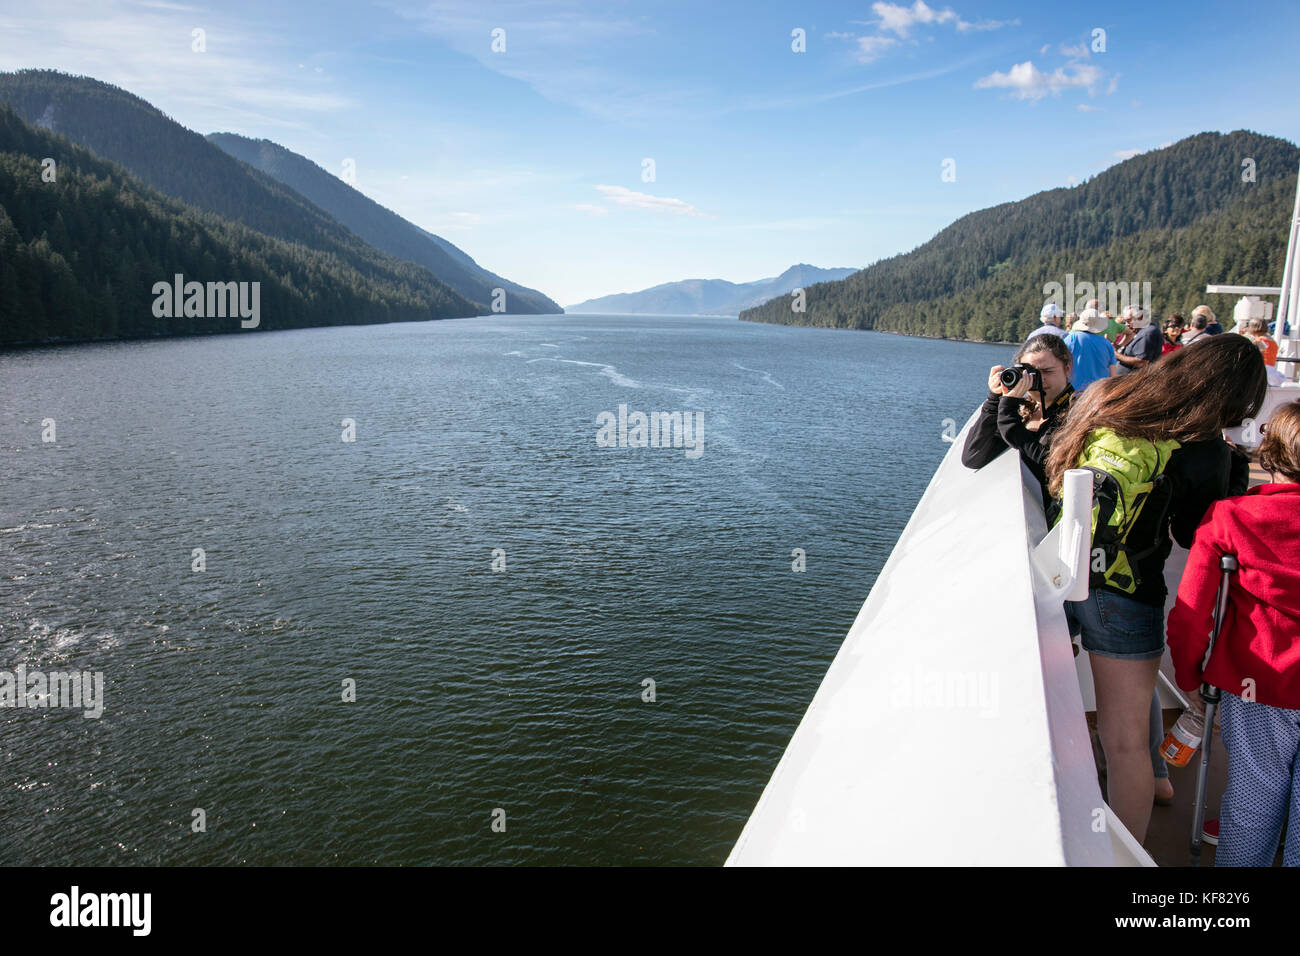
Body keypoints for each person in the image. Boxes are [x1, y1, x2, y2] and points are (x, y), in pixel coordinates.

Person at [1045, 335, 1265, 844]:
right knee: (1126, 748)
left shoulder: (1109, 398)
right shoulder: (1205, 446)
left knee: (1062, 711)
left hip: (1061, 573)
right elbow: (1195, 534)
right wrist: (1231, 480)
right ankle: (1124, 860)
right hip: (1128, 594)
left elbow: (1057, 466)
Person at [1167, 400, 1300, 866]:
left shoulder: (1231, 517)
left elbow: (1192, 613)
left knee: (1251, 805)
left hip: (1259, 683)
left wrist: (1191, 676)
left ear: (1272, 456)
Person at [962, 334, 1074, 506]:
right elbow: (973, 457)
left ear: (1067, 368)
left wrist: (1009, 420)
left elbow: (1051, 468)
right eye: (1032, 373)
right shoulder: (1022, 410)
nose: (1040, 380)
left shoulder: (1078, 412)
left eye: (1047, 371)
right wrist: (994, 399)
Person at [1063, 307, 1119, 391]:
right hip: (1099, 393)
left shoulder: (1071, 339)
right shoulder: (1107, 344)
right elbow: (1113, 376)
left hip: (1074, 392)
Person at [1115, 305, 1163, 373]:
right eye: (1125, 322)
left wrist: (1116, 355)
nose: (1126, 324)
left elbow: (1141, 363)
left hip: (1132, 381)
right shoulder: (1140, 331)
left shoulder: (1147, 333)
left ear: (1140, 317)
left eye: (1129, 320)